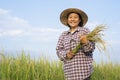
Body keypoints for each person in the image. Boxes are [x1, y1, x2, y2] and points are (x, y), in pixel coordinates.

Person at [56, 8, 95, 80]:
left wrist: (85, 42)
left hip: (83, 73)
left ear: (79, 20)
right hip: (69, 73)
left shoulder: (84, 30)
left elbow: (91, 49)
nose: (72, 19)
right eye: (70, 17)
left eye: (75, 17)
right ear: (67, 20)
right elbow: (59, 50)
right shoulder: (63, 35)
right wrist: (66, 55)